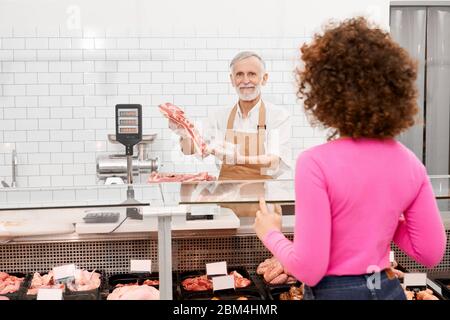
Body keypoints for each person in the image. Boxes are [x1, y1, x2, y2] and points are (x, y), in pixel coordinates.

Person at [253, 17, 447, 300]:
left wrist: (270, 233)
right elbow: (430, 252)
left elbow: (309, 270)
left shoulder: (315, 164)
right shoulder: (410, 163)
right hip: (387, 290)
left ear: (324, 92)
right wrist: (383, 218)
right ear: (395, 92)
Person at [170, 51, 292, 216]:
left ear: (264, 78)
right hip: (225, 203)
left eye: (252, 74)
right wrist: (184, 133)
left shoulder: (278, 116)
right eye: (239, 74)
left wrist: (238, 159)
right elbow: (192, 149)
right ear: (232, 80)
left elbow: (274, 160)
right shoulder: (220, 116)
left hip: (263, 205)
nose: (245, 80)